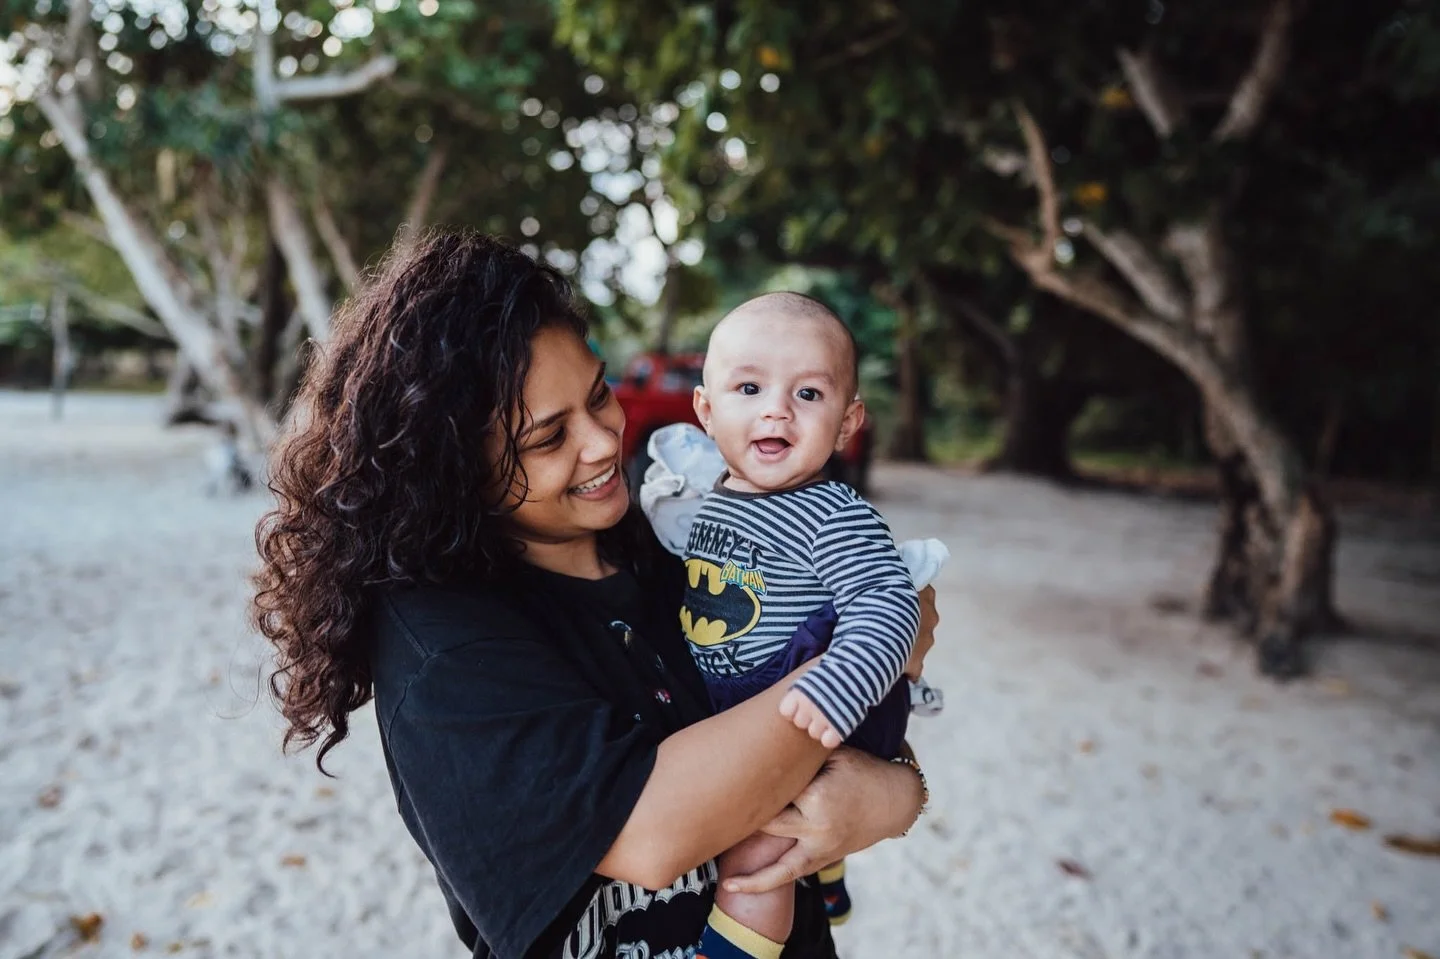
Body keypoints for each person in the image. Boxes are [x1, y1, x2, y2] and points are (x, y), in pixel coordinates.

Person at [251, 230, 937, 959]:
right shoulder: (445, 644)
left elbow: (823, 714)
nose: (605, 441)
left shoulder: (665, 545)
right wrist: (880, 650)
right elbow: (649, 832)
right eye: (549, 437)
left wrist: (897, 795)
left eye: (598, 395)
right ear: (456, 468)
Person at [658, 294, 943, 959]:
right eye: (749, 388)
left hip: (825, 698)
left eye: (808, 393)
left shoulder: (830, 512)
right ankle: (831, 877)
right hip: (751, 698)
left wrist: (839, 686)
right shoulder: (712, 499)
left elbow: (889, 601)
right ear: (706, 411)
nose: (776, 410)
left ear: (848, 423)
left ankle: (737, 949)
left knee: (755, 851)